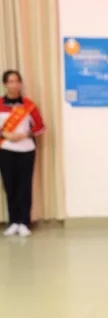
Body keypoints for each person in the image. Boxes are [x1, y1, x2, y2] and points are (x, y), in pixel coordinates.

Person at [0, 70, 45, 238]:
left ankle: (24, 222)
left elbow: (40, 127)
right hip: (5, 150)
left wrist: (25, 134)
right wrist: (4, 134)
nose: (13, 85)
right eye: (10, 81)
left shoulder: (29, 105)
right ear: (5, 84)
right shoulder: (0, 104)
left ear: (20, 84)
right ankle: (13, 222)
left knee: (24, 187)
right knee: (9, 186)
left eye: (16, 81)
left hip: (26, 151)